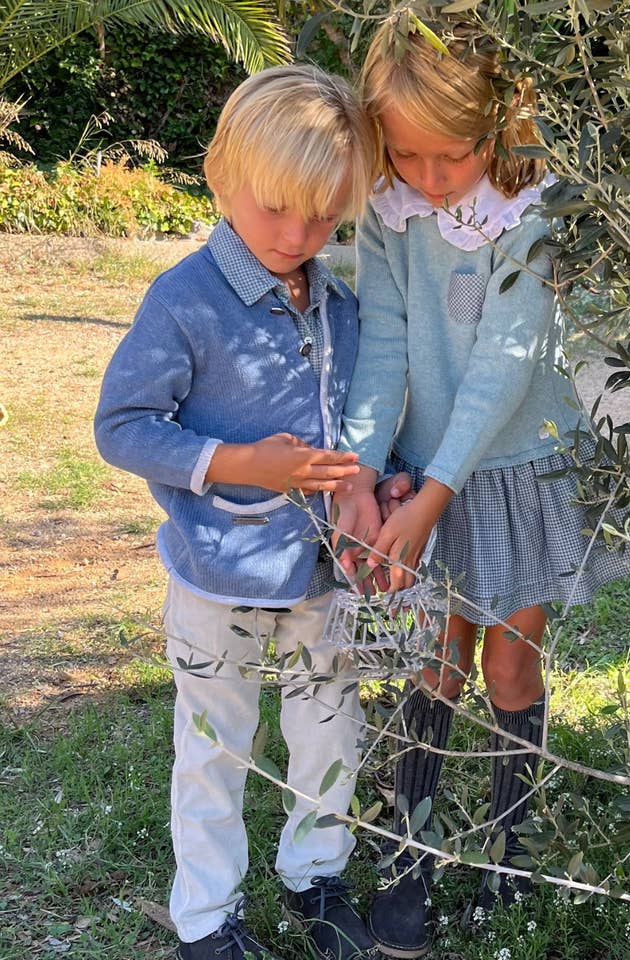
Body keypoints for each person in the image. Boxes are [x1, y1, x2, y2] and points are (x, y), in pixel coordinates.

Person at [332, 14, 630, 958]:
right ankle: (414, 849)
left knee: (505, 662)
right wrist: (363, 471)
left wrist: (436, 493)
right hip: (425, 472)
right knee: (433, 661)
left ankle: (514, 845)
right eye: (407, 154)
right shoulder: (390, 212)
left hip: (512, 469)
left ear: (498, 127)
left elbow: (506, 362)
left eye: (451, 154)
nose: (429, 176)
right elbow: (383, 346)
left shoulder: (531, 209)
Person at [94, 64, 398, 960]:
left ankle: (314, 876)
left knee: (327, 729)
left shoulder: (337, 299)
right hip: (215, 574)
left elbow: (362, 421)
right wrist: (238, 464)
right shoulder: (183, 302)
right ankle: (206, 922)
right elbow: (122, 426)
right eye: (276, 208)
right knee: (215, 748)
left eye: (323, 214)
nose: (298, 233)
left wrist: (379, 485)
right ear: (221, 177)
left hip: (320, 581)